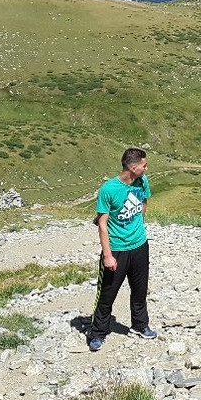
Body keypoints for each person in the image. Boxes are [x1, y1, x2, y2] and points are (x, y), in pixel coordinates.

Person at [89, 148, 157, 352]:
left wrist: (139, 227)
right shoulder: (109, 190)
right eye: (144, 165)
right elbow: (102, 224)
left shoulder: (142, 181)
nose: (146, 168)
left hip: (139, 246)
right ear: (133, 167)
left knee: (139, 289)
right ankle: (98, 333)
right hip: (117, 250)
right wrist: (108, 255)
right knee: (107, 293)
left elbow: (144, 203)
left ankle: (140, 325)